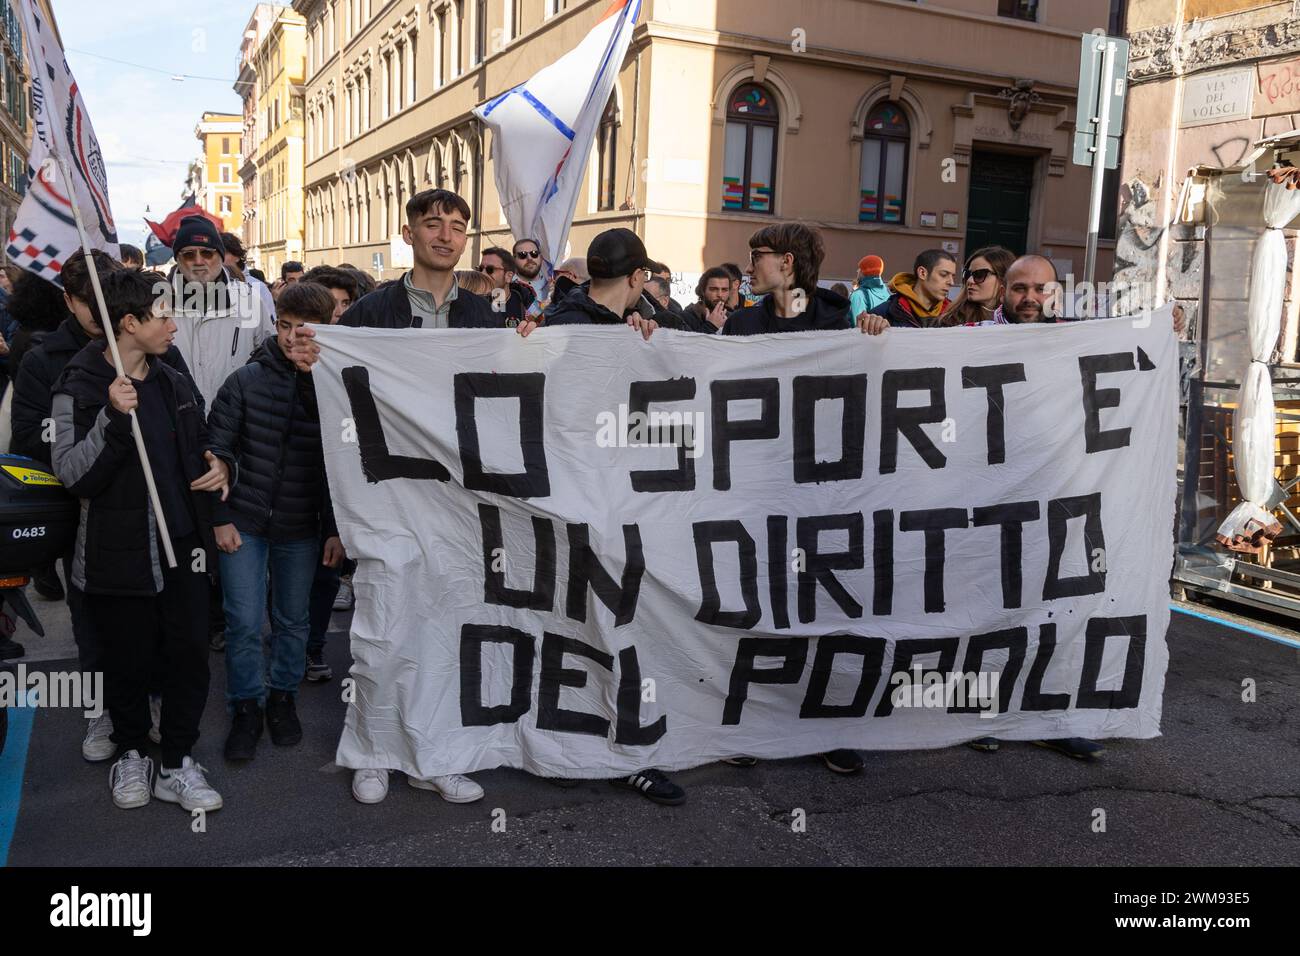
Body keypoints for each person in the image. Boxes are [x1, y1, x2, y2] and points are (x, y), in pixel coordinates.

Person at [288, 187, 505, 806]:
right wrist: (312, 371)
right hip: (385, 499)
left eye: (457, 226)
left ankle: (437, 754)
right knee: (382, 633)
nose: (445, 234)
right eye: (432, 223)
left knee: (447, 633)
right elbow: (333, 411)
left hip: (457, 506)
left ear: (467, 238)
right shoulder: (370, 314)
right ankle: (373, 750)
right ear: (409, 233)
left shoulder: (482, 318)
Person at [51, 268, 231, 813]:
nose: (176, 325)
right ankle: (131, 752)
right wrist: (111, 417)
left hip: (184, 548)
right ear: (128, 323)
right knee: (125, 662)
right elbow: (71, 474)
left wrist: (223, 467)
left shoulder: (173, 379)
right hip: (116, 552)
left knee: (188, 659)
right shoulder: (77, 385)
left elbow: (205, 442)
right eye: (165, 316)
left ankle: (176, 762)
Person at [721, 221, 884, 774]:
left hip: (824, 494)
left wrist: (880, 330)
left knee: (820, 608)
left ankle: (824, 726)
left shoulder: (841, 319)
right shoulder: (743, 324)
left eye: (757, 256)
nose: (749, 265)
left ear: (787, 263)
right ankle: (754, 722)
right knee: (759, 606)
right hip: (756, 489)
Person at [206, 281, 343, 762]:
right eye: (283, 326)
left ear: (326, 329)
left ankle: (283, 696)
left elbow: (342, 465)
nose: (289, 338)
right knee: (242, 621)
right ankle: (246, 705)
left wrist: (334, 528)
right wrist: (220, 517)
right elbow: (215, 449)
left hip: (303, 526)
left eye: (301, 330)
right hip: (244, 520)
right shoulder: (244, 380)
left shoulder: (337, 386)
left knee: (293, 620)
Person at [723, 222, 857, 335]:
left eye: (756, 257)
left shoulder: (836, 330)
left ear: (786, 261)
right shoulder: (739, 324)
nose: (748, 268)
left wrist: (872, 334)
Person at [869, 249, 958, 328]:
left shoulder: (956, 317)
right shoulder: (882, 314)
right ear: (922, 273)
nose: (951, 282)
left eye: (953, 276)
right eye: (944, 275)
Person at [938, 247, 1016, 327]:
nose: (970, 281)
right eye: (967, 274)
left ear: (1003, 278)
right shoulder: (952, 320)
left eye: (979, 275)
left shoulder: (1020, 319)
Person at [221, 232, 277, 330]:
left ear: (237, 257)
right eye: (217, 253)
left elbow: (269, 324)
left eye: (224, 253)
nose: (220, 258)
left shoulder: (257, 287)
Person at [478, 246, 535, 326]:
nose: (482, 274)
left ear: (508, 276)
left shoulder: (524, 301)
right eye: (480, 269)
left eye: (490, 270)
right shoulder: (472, 302)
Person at [681, 266, 731, 334]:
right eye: (714, 289)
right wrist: (710, 327)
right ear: (702, 291)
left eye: (724, 290)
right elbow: (688, 344)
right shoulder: (685, 318)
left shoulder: (732, 318)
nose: (720, 294)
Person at [848, 255, 890, 324]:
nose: (857, 271)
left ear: (864, 272)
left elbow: (856, 327)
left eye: (860, 268)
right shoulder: (887, 295)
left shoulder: (858, 295)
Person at [511, 237, 549, 309]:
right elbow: (497, 317)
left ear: (541, 258)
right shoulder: (503, 288)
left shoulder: (553, 288)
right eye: (522, 255)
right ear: (513, 260)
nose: (529, 258)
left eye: (534, 253)